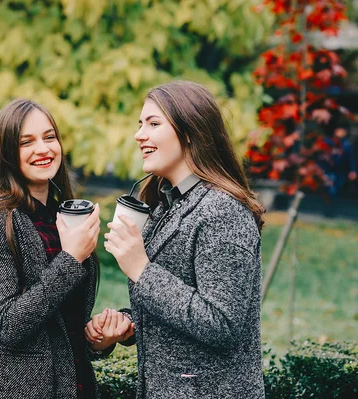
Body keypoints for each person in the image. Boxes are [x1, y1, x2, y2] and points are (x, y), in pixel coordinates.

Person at [87, 81, 265, 398]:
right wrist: (126, 327)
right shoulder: (166, 205)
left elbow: (222, 324)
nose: (139, 135)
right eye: (140, 124)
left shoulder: (222, 212)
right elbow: (179, 310)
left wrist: (140, 268)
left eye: (153, 124)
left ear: (190, 132)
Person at [0, 98, 131, 399]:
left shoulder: (63, 217)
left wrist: (97, 339)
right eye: (27, 142)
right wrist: (71, 259)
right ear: (7, 153)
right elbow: (8, 324)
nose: (43, 149)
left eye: (50, 137)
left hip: (75, 387)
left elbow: (62, 326)